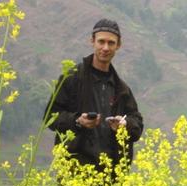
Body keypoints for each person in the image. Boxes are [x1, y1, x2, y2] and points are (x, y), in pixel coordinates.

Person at [46, 19, 144, 175]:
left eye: (111, 43)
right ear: (92, 41)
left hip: (110, 175)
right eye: (101, 42)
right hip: (75, 173)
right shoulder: (72, 78)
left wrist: (125, 125)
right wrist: (78, 121)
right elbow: (50, 117)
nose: (105, 48)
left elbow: (137, 125)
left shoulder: (122, 89)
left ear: (118, 46)